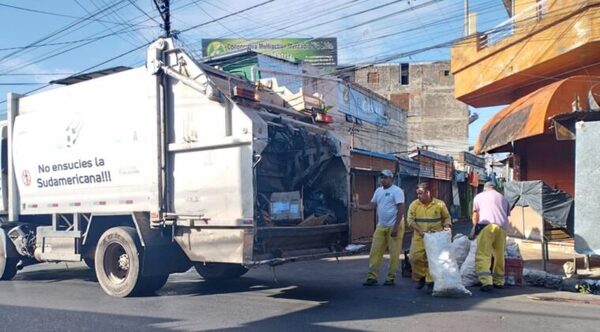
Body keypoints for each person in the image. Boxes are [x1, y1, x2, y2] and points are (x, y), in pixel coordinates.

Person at [353, 169, 405, 286]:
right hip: (381, 225)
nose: (382, 179)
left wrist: (396, 227)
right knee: (375, 251)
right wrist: (358, 206)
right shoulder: (378, 191)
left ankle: (391, 277)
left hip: (394, 225)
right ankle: (372, 277)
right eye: (381, 177)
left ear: (391, 178)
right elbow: (372, 206)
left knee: (394, 253)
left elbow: (401, 208)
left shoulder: (397, 191)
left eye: (385, 177)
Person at [407, 182, 451, 293]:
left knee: (433, 260)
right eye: (417, 194)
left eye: (420, 193)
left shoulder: (439, 204)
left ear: (428, 192)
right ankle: (421, 276)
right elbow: (410, 220)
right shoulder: (414, 205)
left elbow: (446, 217)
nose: (418, 196)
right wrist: (419, 230)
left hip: (435, 237)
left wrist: (447, 226)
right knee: (414, 257)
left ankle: (430, 281)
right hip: (420, 236)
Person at [469, 181, 510, 292]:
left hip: (486, 227)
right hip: (501, 228)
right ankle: (499, 281)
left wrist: (474, 228)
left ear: (485, 188)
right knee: (499, 254)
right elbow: (506, 215)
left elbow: (475, 214)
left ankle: (486, 281)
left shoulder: (479, 197)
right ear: (494, 188)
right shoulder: (503, 198)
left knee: (483, 254)